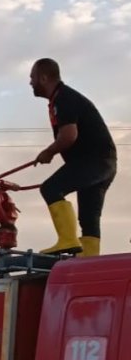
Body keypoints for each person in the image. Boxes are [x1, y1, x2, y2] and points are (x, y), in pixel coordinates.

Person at [29, 57, 117, 257]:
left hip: (93, 161)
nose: (30, 83)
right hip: (106, 165)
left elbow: (69, 136)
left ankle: (68, 240)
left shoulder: (63, 98)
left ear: (43, 78)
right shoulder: (62, 98)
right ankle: (89, 258)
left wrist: (49, 152)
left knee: (51, 188)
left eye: (32, 77)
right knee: (88, 218)